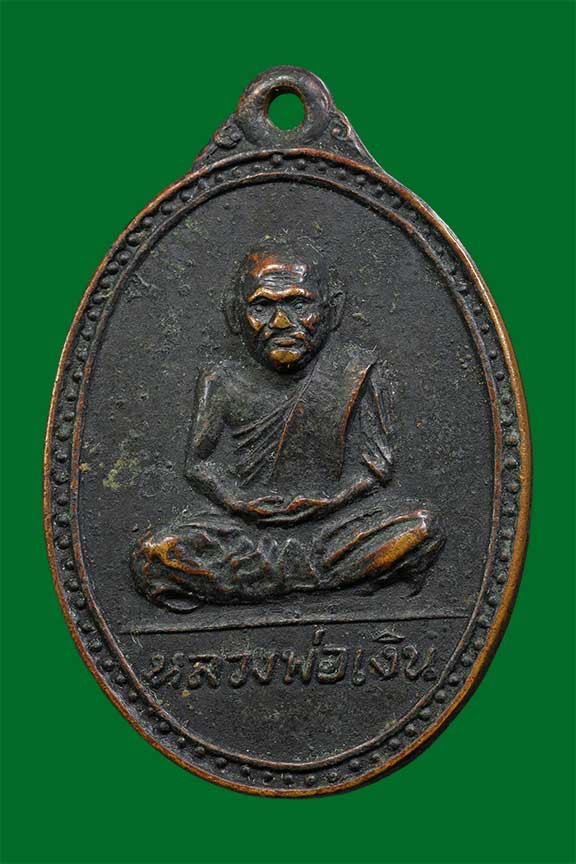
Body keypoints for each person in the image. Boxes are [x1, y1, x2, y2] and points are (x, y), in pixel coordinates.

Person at [131, 240, 443, 611]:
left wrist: (329, 502)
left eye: (299, 304)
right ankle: (319, 578)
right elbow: (199, 464)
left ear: (333, 310)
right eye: (262, 307)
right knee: (155, 552)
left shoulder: (357, 371)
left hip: (333, 526)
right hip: (247, 530)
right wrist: (237, 502)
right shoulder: (221, 380)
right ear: (234, 315)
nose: (281, 323)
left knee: (422, 527)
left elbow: (377, 468)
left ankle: (263, 582)